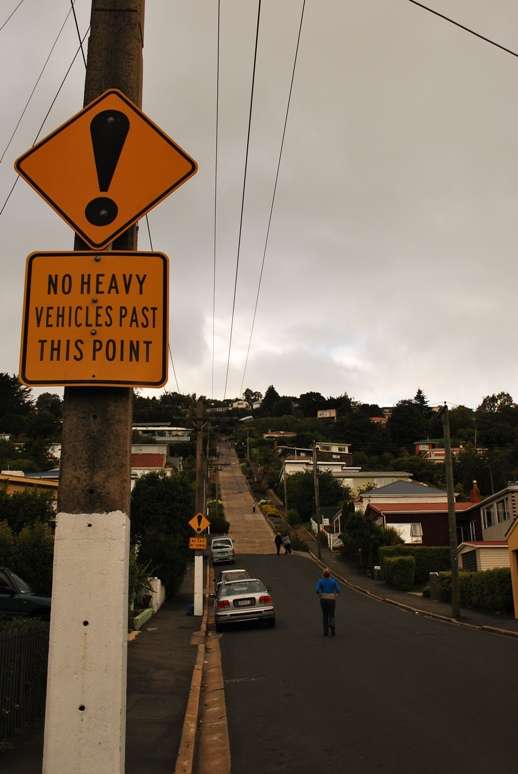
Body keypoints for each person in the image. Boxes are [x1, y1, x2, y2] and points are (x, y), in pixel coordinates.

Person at [315, 569, 340, 637]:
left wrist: (320, 594)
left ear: (323, 574)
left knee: (325, 615)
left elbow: (317, 590)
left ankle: (326, 632)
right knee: (331, 615)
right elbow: (338, 590)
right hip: (331, 599)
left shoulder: (320, 581)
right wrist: (335, 596)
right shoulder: (333, 581)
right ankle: (332, 630)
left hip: (323, 599)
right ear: (330, 575)